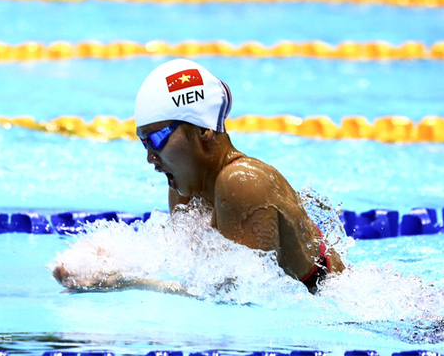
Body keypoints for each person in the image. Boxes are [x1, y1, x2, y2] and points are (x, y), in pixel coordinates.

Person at [53, 59, 344, 294]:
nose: (150, 156)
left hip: (336, 313)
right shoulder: (183, 189)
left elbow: (246, 298)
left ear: (203, 130)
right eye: (144, 143)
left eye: (157, 139)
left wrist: (124, 282)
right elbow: (188, 271)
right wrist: (100, 258)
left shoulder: (241, 182)